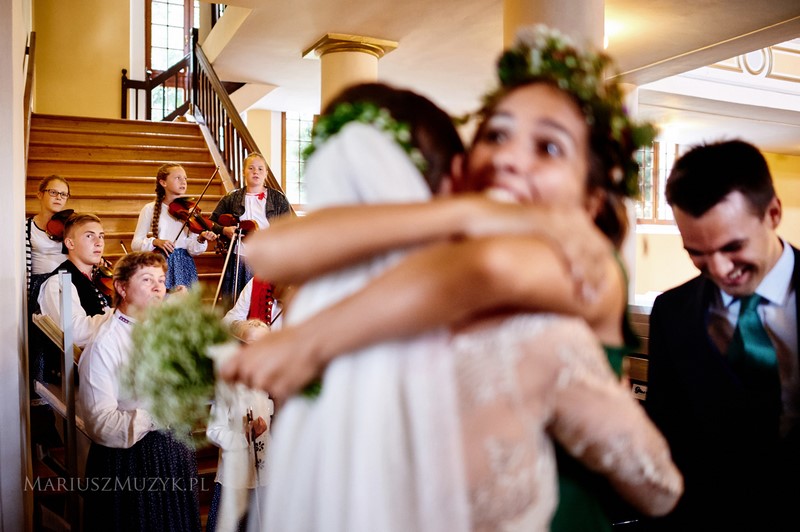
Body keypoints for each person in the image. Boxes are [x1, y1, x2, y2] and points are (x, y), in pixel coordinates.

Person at [225, 30, 681, 531]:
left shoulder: (582, 274)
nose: (509, 158)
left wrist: (313, 339)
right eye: (496, 134)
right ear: (462, 169)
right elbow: (270, 250)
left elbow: (489, 271)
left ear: (591, 200)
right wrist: (458, 212)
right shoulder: (414, 280)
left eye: (548, 147)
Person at [642, 140, 800, 531]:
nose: (719, 269)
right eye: (696, 251)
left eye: (733, 246)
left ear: (773, 213)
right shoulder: (672, 312)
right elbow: (667, 434)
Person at [77, 251, 201, 532]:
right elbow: (100, 424)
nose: (159, 287)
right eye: (147, 280)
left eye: (161, 279)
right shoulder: (105, 344)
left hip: (173, 454)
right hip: (132, 464)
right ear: (121, 287)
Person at [32, 213, 113, 384]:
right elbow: (74, 333)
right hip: (85, 379)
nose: (99, 242)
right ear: (70, 243)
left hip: (108, 365)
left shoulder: (96, 279)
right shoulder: (59, 282)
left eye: (101, 236)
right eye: (89, 236)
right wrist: (121, 316)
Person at [210, 152, 292, 308]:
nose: (256, 172)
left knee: (264, 303)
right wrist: (224, 229)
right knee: (236, 302)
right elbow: (211, 222)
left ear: (266, 173)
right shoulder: (231, 198)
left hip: (268, 257)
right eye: (251, 168)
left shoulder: (278, 198)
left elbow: (288, 228)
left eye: (261, 169)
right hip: (240, 257)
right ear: (243, 172)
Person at [131, 162, 217, 290]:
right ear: (163, 182)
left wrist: (201, 239)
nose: (183, 182)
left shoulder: (190, 210)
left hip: (185, 265)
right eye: (178, 178)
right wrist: (155, 242)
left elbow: (193, 249)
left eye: (185, 178)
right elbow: (135, 244)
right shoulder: (149, 209)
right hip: (160, 265)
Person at [26, 175, 71, 301]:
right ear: (40, 194)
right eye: (53, 192)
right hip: (40, 284)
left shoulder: (71, 225)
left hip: (67, 280)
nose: (58, 197)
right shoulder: (27, 226)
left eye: (63, 194)